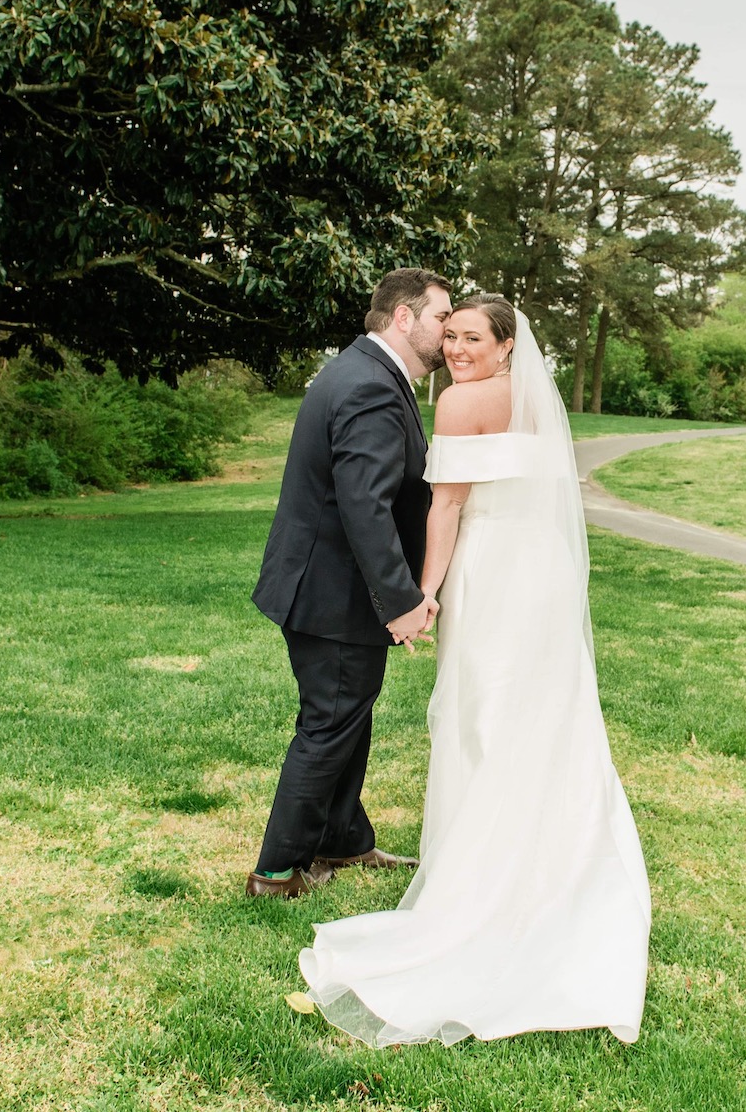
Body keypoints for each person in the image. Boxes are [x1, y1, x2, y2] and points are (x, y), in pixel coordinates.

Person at [299, 293, 651, 1044]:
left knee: (486, 714)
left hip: (495, 572)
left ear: (505, 345)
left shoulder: (461, 404)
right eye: (449, 335)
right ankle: (559, 870)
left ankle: (491, 884)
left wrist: (422, 594)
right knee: (544, 709)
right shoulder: (536, 407)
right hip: (544, 571)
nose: (456, 349)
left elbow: (446, 508)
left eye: (470, 337)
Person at [246, 268, 453, 899]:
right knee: (330, 721)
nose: (449, 332)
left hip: (326, 586)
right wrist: (400, 601)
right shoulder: (369, 385)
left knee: (348, 716)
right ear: (403, 318)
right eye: (442, 318)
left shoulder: (366, 373)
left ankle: (342, 840)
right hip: (333, 593)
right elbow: (365, 506)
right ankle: (276, 870)